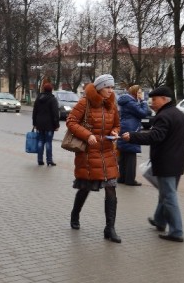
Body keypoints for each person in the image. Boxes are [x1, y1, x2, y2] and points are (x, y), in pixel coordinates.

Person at [121, 86, 184, 243]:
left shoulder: (163, 116)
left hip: (166, 163)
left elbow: (155, 136)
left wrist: (132, 137)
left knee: (169, 196)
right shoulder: (180, 115)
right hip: (178, 162)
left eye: (155, 99)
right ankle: (159, 220)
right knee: (165, 193)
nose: (152, 102)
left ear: (164, 100)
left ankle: (176, 231)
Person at [67, 74, 121, 243]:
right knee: (85, 187)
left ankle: (110, 228)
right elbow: (71, 121)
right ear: (99, 88)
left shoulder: (112, 104)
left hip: (107, 151)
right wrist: (87, 134)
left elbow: (117, 124)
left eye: (112, 88)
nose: (111, 91)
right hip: (89, 152)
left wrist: (115, 132)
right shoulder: (85, 102)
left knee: (111, 188)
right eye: (108, 87)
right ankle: (75, 214)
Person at [116, 85, 150, 186]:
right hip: (131, 128)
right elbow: (143, 113)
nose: (141, 94)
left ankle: (121, 178)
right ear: (135, 93)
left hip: (124, 127)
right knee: (131, 154)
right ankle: (130, 180)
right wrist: (143, 101)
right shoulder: (131, 102)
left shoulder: (126, 101)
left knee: (123, 154)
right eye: (139, 92)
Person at [32, 82, 60, 166]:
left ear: (43, 89)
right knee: (48, 142)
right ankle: (49, 160)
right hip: (49, 125)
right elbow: (55, 113)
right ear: (51, 90)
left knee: (40, 141)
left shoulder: (38, 98)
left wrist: (34, 123)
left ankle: (40, 160)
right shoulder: (52, 99)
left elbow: (34, 112)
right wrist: (56, 125)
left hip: (39, 124)